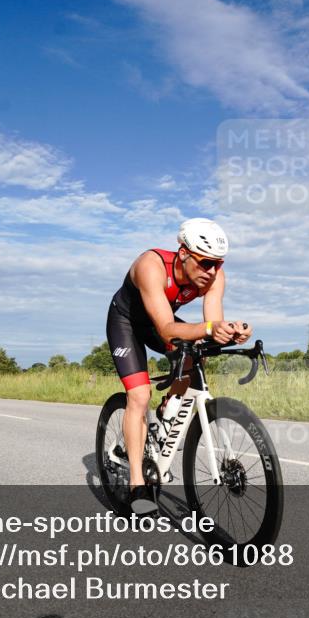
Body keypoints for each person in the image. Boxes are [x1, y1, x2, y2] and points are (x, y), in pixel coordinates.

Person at [106, 218, 251, 514]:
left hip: (162, 324)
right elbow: (167, 329)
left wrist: (232, 332)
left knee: (202, 352)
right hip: (128, 324)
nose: (212, 271)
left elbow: (212, 324)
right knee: (139, 396)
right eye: (206, 262)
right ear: (183, 253)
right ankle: (137, 485)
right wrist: (211, 328)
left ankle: (170, 404)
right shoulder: (151, 265)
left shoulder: (213, 276)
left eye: (218, 264)